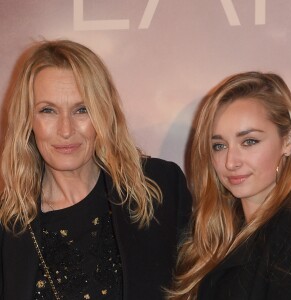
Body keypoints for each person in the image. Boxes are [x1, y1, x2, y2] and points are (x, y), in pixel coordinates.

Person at [0, 39, 192, 300]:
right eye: (48, 111)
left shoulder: (160, 187)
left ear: (103, 113)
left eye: (82, 110)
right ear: (27, 120)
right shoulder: (9, 227)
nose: (66, 130)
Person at [168, 72, 291, 299]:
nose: (231, 162)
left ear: (287, 141)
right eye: (219, 146)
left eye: (249, 142)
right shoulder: (216, 229)